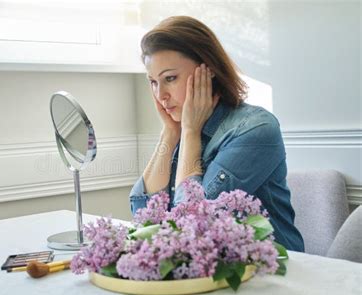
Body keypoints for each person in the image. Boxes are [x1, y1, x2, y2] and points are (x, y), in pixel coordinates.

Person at [129, 16, 305, 252]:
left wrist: (190, 132)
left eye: (170, 78)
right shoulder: (180, 127)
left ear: (208, 70)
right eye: (153, 82)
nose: (161, 95)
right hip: (205, 273)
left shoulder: (255, 128)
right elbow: (144, 219)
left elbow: (193, 224)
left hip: (271, 272)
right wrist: (170, 134)